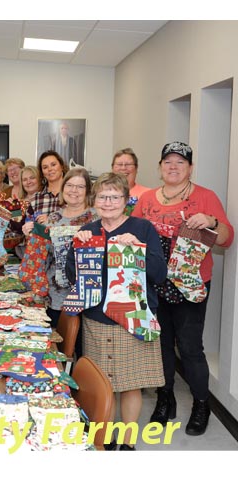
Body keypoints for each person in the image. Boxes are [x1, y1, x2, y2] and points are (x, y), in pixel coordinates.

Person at [132, 141, 234, 436]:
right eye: (168, 162)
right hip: (154, 282)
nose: (173, 167)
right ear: (160, 167)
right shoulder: (148, 198)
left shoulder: (205, 197)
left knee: (190, 348)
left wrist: (212, 221)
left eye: (180, 162)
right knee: (161, 345)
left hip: (190, 284)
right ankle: (166, 399)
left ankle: (202, 404)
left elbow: (226, 238)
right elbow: (134, 233)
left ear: (190, 168)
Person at [66, 172, 167, 451]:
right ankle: (105, 440)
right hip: (97, 318)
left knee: (132, 383)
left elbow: (159, 274)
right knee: (103, 383)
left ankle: (128, 442)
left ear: (126, 200)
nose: (108, 202)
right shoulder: (89, 229)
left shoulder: (143, 228)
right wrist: (79, 246)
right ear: (94, 200)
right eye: (102, 196)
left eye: (115, 196)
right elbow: (73, 276)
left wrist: (138, 248)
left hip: (134, 317)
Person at [26, 167, 98, 329]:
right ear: (63, 188)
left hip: (86, 294)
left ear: (87, 191)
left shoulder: (96, 218)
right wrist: (31, 234)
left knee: (78, 345)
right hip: (55, 294)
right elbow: (44, 257)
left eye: (80, 187)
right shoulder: (53, 218)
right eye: (70, 185)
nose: (74, 190)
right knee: (58, 340)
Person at [26, 150, 68, 228]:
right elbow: (30, 225)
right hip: (42, 239)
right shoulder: (36, 198)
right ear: (42, 172)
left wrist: (50, 220)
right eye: (45, 167)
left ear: (62, 166)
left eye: (53, 165)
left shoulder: (73, 193)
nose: (50, 169)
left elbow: (79, 221)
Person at [112, 148, 150, 215]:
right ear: (112, 168)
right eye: (119, 164)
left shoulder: (148, 194)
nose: (123, 168)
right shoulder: (102, 193)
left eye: (128, 164)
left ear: (136, 168)